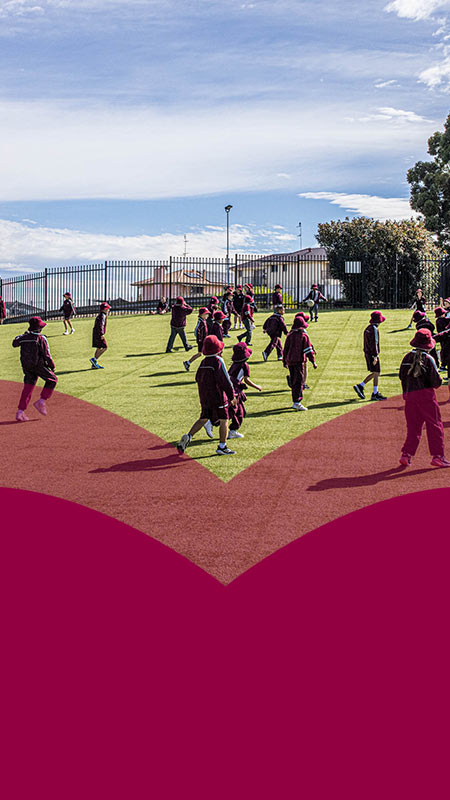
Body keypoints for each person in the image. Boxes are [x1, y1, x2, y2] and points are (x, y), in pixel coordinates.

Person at [177, 335, 237, 456]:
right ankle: (222, 446)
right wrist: (232, 396)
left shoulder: (203, 362)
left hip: (205, 396)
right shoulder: (218, 361)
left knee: (203, 418)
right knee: (224, 419)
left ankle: (188, 436)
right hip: (218, 397)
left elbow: (197, 378)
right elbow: (225, 380)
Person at [398, 328, 450, 468]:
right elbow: (436, 383)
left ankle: (406, 455)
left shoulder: (407, 358)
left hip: (410, 398)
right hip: (426, 398)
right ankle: (438, 456)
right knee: (435, 426)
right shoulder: (429, 359)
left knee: (413, 428)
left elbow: (401, 376)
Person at [12, 316, 57, 421]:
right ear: (39, 328)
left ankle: (20, 412)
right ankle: (41, 401)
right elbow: (46, 354)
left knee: (28, 388)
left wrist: (22, 335)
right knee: (52, 379)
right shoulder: (40, 339)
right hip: (38, 365)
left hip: (26, 366)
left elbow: (15, 343)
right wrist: (52, 366)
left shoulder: (24, 337)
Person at [227, 341, 262, 439]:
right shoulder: (244, 365)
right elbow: (246, 379)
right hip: (235, 391)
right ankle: (231, 430)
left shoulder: (234, 364)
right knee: (239, 412)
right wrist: (257, 387)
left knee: (235, 410)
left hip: (232, 389)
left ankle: (229, 428)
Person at [283, 316, 317, 411]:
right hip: (298, 361)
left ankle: (295, 400)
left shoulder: (290, 335)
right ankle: (297, 402)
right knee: (299, 381)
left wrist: (284, 361)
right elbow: (308, 350)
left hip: (290, 361)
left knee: (295, 381)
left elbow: (285, 349)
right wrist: (313, 362)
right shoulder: (303, 336)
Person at [353, 311, 387, 401]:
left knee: (376, 372)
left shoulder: (368, 328)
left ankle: (367, 388)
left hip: (368, 353)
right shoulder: (374, 329)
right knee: (376, 372)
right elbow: (374, 343)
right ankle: (368, 389)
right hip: (372, 354)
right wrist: (375, 356)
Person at [183, 307, 210, 372]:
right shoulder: (200, 322)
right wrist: (199, 339)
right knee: (202, 353)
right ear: (202, 315)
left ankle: (188, 363)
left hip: (204, 340)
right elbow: (197, 330)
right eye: (206, 314)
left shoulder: (204, 321)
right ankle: (188, 363)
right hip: (201, 341)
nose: (207, 315)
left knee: (202, 353)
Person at [90, 302, 111, 369]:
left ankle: (94, 364)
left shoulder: (101, 315)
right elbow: (100, 325)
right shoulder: (102, 316)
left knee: (99, 347)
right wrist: (101, 333)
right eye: (107, 309)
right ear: (104, 309)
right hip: (99, 333)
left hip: (96, 333)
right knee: (105, 347)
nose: (108, 310)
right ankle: (94, 359)